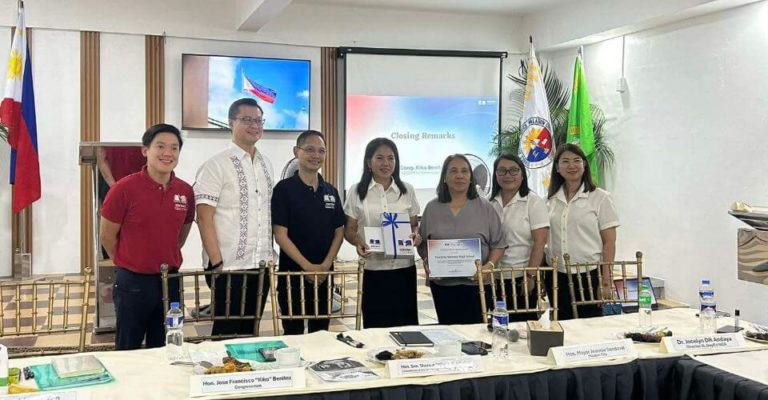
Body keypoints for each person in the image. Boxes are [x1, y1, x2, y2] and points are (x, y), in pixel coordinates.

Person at [100, 124, 194, 350]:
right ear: (145, 151)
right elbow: (107, 236)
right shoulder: (123, 189)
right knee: (128, 344)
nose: (167, 153)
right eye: (160, 146)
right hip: (133, 281)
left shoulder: (185, 191)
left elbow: (180, 235)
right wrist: (129, 261)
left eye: (174, 148)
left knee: (168, 343)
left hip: (170, 280)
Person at [194, 98, 274, 336]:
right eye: (247, 119)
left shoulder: (265, 164)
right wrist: (216, 262)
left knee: (252, 330)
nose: (254, 125)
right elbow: (203, 216)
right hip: (228, 266)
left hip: (260, 263)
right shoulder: (215, 165)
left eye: (258, 120)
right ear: (231, 123)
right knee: (226, 332)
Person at [417, 154, 506, 325]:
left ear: (471, 178)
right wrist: (428, 261)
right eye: (453, 171)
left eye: (465, 171)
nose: (460, 175)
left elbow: (499, 244)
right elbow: (422, 244)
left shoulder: (485, 207)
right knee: (448, 331)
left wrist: (490, 266)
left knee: (476, 335)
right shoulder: (432, 208)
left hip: (477, 286)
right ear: (444, 177)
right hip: (442, 286)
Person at [271, 130, 345, 334]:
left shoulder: (330, 191)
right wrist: (307, 267)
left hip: (323, 276)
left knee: (321, 333)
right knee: (293, 334)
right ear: (297, 152)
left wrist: (324, 266)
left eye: (321, 151)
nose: (316, 155)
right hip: (292, 275)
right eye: (310, 149)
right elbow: (280, 234)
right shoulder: (283, 190)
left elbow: (339, 231)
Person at [343, 138, 421, 328]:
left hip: (404, 269)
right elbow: (349, 230)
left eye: (391, 158)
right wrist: (358, 242)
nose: (386, 163)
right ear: (369, 162)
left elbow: (414, 227)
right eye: (380, 158)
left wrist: (416, 236)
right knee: (375, 329)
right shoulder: (357, 191)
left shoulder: (407, 190)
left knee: (407, 328)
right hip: (373, 270)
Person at [546, 143, 619, 320]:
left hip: (589, 276)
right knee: (561, 328)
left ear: (584, 165)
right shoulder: (549, 201)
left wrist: (606, 281)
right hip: (556, 276)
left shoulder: (600, 198)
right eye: (565, 161)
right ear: (557, 167)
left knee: (589, 330)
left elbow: (609, 242)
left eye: (577, 160)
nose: (572, 165)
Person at [490, 154, 549, 322]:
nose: (508, 175)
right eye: (502, 171)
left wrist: (530, 276)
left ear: (522, 174)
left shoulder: (533, 202)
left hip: (520, 278)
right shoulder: (489, 203)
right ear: (496, 175)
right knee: (496, 327)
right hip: (493, 278)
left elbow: (540, 241)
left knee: (521, 328)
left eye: (514, 170)